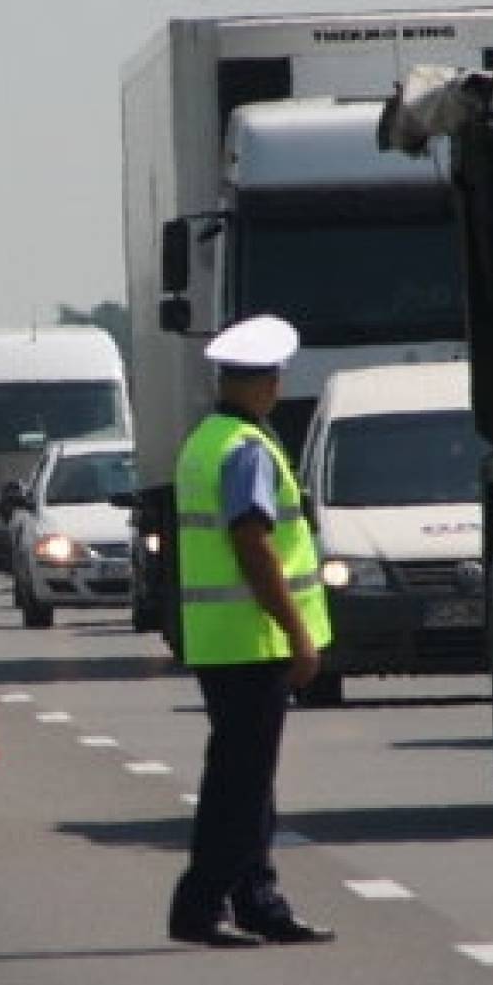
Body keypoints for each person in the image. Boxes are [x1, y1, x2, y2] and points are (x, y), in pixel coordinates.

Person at [167, 314, 337, 949]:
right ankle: (200, 906)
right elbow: (253, 546)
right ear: (266, 382)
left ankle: (257, 901)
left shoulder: (206, 440)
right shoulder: (246, 451)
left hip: (226, 638)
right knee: (238, 788)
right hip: (252, 639)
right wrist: (296, 632)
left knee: (247, 781)